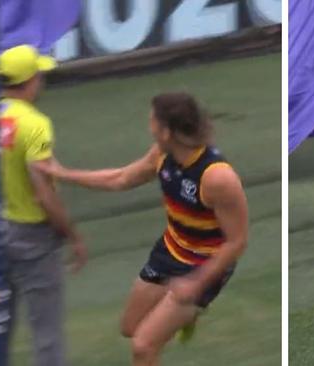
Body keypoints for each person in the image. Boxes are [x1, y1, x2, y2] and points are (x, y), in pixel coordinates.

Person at [39, 92, 249, 366]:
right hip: (169, 251)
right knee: (131, 328)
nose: (148, 125)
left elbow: (237, 242)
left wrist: (195, 283)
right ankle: (184, 316)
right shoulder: (162, 154)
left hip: (202, 266)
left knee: (144, 346)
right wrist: (62, 174)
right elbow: (120, 178)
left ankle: (187, 310)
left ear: (166, 131)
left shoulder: (217, 177)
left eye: (152, 121)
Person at [0, 44, 88, 366]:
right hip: (33, 237)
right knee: (47, 335)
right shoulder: (34, 125)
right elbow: (44, 194)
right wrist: (71, 235)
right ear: (30, 80)